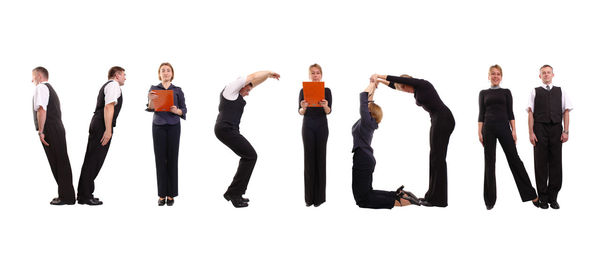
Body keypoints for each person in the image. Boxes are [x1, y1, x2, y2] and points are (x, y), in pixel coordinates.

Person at [374, 73, 454, 207]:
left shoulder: (422, 84)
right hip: (437, 120)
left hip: (444, 119)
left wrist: (379, 75)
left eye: (404, 87)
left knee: (438, 159)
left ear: (409, 82)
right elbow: (395, 85)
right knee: (434, 157)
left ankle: (439, 200)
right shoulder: (414, 89)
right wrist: (380, 82)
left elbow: (397, 80)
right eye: (403, 89)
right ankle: (432, 196)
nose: (404, 90)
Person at [352, 76, 420, 209]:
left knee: (362, 199)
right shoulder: (369, 122)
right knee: (366, 194)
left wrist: (372, 82)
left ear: (369, 113)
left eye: (367, 109)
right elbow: (369, 100)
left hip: (362, 158)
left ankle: (399, 202)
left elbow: (363, 99)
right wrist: (373, 85)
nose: (366, 108)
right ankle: (398, 195)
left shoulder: (366, 122)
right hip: (364, 158)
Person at [214, 70, 280, 208]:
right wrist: (268, 71)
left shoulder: (237, 94)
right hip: (224, 129)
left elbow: (254, 82)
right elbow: (253, 77)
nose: (248, 92)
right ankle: (233, 193)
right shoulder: (230, 90)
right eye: (247, 89)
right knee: (250, 156)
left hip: (229, 130)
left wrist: (267, 77)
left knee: (249, 156)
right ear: (241, 85)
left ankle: (234, 192)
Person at [478, 65, 539, 210]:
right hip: (488, 129)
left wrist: (514, 131)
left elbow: (510, 113)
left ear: (501, 77)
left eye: (498, 74)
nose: (495, 76)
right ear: (488, 76)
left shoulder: (506, 92)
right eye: (493, 74)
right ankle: (489, 200)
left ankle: (531, 194)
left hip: (504, 128)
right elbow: (481, 113)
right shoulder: (483, 93)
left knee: (515, 159)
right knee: (489, 163)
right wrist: (479, 132)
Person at [77, 66, 126, 205]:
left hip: (99, 124)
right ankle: (85, 196)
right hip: (102, 126)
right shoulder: (113, 85)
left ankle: (85, 193)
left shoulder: (111, 85)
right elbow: (108, 107)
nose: (125, 78)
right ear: (117, 75)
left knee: (92, 160)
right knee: (94, 161)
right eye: (123, 75)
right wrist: (108, 130)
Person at [527, 65, 572, 209]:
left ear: (553, 75)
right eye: (543, 73)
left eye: (548, 72)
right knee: (540, 163)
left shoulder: (561, 90)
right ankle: (543, 198)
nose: (546, 75)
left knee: (555, 163)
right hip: (539, 129)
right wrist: (531, 132)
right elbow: (530, 113)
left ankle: (553, 197)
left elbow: (566, 111)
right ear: (540, 76)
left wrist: (566, 131)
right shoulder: (535, 91)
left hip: (556, 129)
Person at [31, 66, 76, 205]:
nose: (31, 80)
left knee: (58, 162)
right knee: (61, 161)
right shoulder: (49, 88)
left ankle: (66, 197)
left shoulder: (41, 88)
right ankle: (66, 195)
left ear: (39, 76)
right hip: (56, 127)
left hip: (50, 128)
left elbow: (41, 110)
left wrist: (41, 131)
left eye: (33, 77)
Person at [147, 63, 187, 206]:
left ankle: (171, 194)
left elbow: (184, 109)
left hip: (174, 127)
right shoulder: (154, 89)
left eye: (168, 70)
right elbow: (151, 108)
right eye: (163, 70)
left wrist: (177, 111)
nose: (165, 73)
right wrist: (151, 100)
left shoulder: (177, 90)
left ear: (172, 73)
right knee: (160, 160)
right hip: (158, 126)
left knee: (172, 159)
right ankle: (161, 194)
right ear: (159, 73)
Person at [298, 63, 332, 207]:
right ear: (309, 75)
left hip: (322, 126)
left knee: (321, 160)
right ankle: (309, 199)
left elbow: (329, 111)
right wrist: (303, 107)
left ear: (321, 75)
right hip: (308, 126)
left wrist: (325, 105)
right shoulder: (303, 90)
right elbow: (299, 112)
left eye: (318, 73)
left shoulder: (327, 90)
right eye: (313, 73)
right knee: (309, 161)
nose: (315, 75)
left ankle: (319, 199)